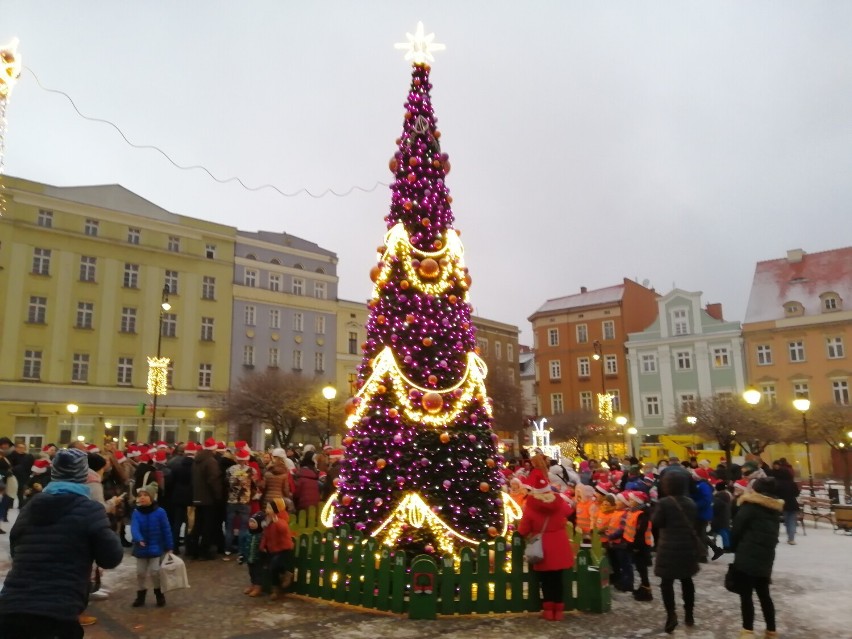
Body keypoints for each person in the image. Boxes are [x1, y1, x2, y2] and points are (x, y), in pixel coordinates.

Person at [0, 447, 124, 638]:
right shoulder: (89, 509)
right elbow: (111, 557)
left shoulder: (31, 506)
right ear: (84, 476)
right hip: (58, 611)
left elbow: (15, 548)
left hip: (12, 607)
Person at [517, 467, 575, 622]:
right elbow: (570, 513)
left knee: (545, 580)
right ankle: (559, 611)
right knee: (558, 579)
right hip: (560, 544)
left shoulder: (530, 506)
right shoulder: (559, 501)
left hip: (542, 546)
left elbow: (523, 530)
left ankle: (548, 611)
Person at [730, 477, 782, 638]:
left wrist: (735, 546)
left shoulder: (750, 506)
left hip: (747, 554)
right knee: (764, 593)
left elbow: (737, 529)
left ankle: (747, 631)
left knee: (746, 595)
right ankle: (771, 630)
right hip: (766, 556)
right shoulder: (774, 508)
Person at [653, 465, 700, 634]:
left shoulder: (664, 503)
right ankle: (689, 614)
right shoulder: (690, 503)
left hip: (668, 547)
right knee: (687, 581)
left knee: (667, 583)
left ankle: (671, 614)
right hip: (687, 546)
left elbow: (657, 523)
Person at [130, 483, 174, 607]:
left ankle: (159, 594)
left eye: (146, 495)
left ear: (152, 497)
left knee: (155, 571)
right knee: (140, 572)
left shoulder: (160, 512)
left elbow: (166, 529)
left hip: (155, 547)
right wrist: (138, 538)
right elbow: (134, 527)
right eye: (140, 495)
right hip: (141, 548)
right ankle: (141, 594)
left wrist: (170, 546)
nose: (142, 498)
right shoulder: (136, 513)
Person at [260, 497, 295, 600]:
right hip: (273, 549)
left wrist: (276, 521)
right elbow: (265, 535)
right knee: (272, 569)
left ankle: (287, 573)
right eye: (267, 508)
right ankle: (275, 589)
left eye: (269, 508)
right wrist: (262, 545)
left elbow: (284, 530)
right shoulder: (268, 521)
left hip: (284, 548)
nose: (267, 510)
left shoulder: (282, 519)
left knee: (276, 564)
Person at [772, 465, 800, 545]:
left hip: (782, 504)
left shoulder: (777, 483)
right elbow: (796, 493)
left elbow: (775, 494)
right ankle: (791, 538)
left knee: (785, 521)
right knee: (791, 521)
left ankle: (782, 537)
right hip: (792, 503)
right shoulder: (792, 483)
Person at [243, 512, 266, 597]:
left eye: (254, 522)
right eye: (250, 522)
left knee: (257, 573)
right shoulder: (249, 533)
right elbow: (245, 544)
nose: (251, 524)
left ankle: (258, 587)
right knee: (251, 572)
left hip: (258, 558)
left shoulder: (261, 535)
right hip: (249, 557)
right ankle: (252, 585)